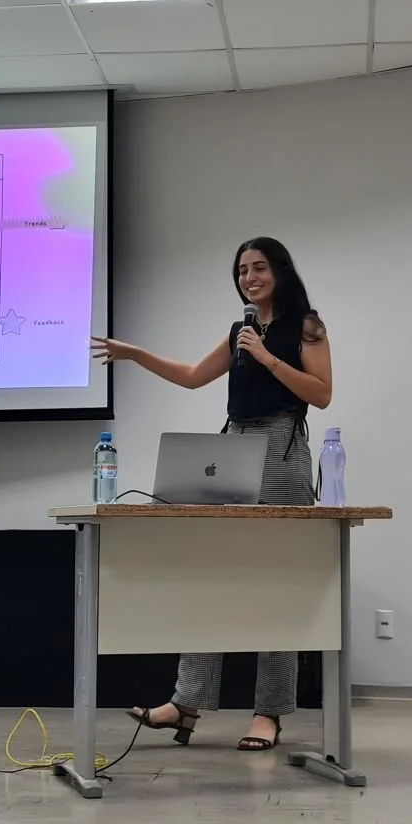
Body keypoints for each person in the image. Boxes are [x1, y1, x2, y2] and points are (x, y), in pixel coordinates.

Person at [91, 237, 334, 751]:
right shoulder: (238, 331)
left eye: (259, 267)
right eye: (242, 270)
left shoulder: (306, 326)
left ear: (280, 271)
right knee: (213, 575)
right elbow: (191, 377)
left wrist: (267, 358)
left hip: (282, 451)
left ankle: (268, 713)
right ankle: (186, 703)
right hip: (235, 446)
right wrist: (134, 354)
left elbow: (322, 393)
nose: (249, 278)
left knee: (274, 587)